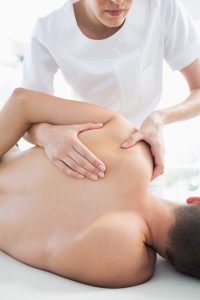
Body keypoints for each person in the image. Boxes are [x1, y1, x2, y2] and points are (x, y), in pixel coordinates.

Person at [0, 87, 200, 288]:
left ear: (196, 200)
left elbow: (21, 101)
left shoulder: (130, 146)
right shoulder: (128, 268)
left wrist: (41, 133)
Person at [21, 0, 200, 189]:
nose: (117, 2)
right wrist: (46, 135)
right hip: (85, 167)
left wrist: (159, 118)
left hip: (145, 167)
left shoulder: (161, 6)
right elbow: (24, 118)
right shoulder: (48, 30)